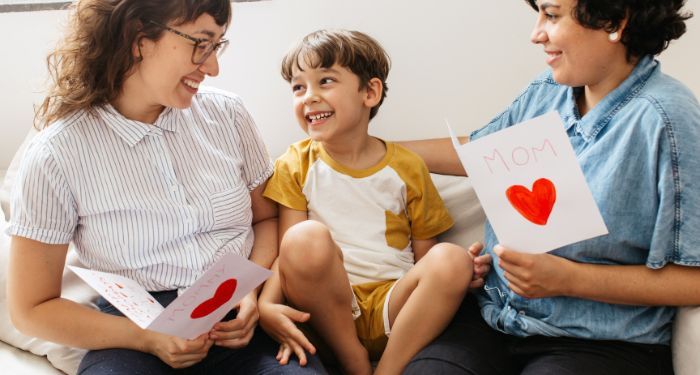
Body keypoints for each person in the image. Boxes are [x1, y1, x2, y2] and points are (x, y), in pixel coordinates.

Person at [5, 0, 326, 374]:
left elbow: (266, 220)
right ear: (137, 37)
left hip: (242, 320)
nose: (212, 67)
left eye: (217, 46)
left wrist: (249, 291)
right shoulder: (55, 154)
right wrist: (148, 337)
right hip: (133, 334)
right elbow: (32, 309)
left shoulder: (228, 115)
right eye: (200, 44)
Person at [399, 0, 700, 374]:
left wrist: (569, 279)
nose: (536, 33)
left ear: (614, 21)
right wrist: (371, 150)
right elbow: (478, 153)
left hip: (598, 344)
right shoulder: (549, 90)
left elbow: (694, 279)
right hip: (494, 318)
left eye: (552, 15)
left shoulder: (668, 120)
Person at [257, 29, 488, 375]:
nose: (309, 97)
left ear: (370, 92)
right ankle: (354, 361)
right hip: (324, 313)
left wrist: (455, 275)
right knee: (305, 237)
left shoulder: (407, 167)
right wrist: (266, 304)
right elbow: (287, 254)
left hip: (393, 308)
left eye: (325, 81)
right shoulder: (295, 163)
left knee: (452, 258)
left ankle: (388, 369)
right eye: (298, 87)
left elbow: (426, 257)